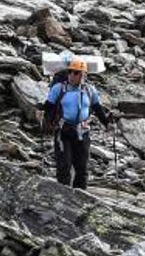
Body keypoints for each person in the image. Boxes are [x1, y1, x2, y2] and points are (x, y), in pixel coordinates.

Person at [42, 59, 114, 190]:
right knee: (64, 165)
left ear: (84, 75)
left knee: (82, 167)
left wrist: (107, 123)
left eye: (78, 73)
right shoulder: (59, 89)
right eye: (71, 72)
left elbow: (97, 108)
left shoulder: (89, 90)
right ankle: (63, 194)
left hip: (83, 132)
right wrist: (46, 122)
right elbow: (49, 107)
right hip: (63, 132)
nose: (73, 75)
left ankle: (81, 195)